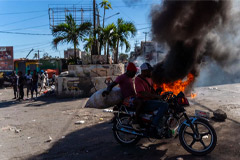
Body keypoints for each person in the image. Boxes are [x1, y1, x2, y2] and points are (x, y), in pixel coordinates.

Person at [102, 62, 143, 130]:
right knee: (140, 102)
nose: (134, 74)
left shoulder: (130, 77)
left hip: (133, 97)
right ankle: (136, 120)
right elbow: (112, 84)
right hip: (127, 99)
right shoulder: (121, 77)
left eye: (135, 73)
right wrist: (107, 91)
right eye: (133, 72)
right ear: (129, 71)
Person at [135, 63, 168, 133]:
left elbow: (152, 90)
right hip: (145, 102)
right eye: (149, 71)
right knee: (164, 105)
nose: (151, 72)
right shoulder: (138, 79)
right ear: (144, 71)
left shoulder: (150, 78)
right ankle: (153, 125)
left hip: (151, 100)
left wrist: (159, 91)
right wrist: (156, 96)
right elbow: (143, 93)